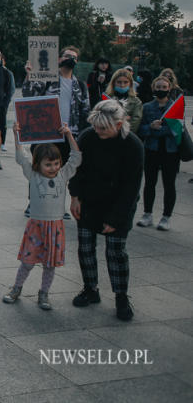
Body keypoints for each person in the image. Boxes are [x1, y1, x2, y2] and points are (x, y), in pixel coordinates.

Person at [69, 99, 144, 321]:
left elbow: (131, 187)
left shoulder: (133, 145)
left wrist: (117, 218)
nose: (98, 131)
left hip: (119, 202)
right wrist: (75, 197)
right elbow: (76, 168)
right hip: (89, 200)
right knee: (85, 246)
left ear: (119, 125)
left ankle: (121, 296)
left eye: (104, 128)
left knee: (116, 251)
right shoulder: (88, 136)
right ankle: (90, 288)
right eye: (96, 127)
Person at [4, 124, 81, 310]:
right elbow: (21, 158)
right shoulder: (33, 175)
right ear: (38, 164)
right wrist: (16, 135)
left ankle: (44, 293)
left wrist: (69, 135)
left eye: (56, 163)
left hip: (55, 227)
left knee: (50, 264)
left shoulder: (63, 175)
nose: (53, 168)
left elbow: (76, 158)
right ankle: (16, 288)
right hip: (36, 226)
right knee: (27, 262)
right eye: (48, 164)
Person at [23, 45, 90, 165]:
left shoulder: (80, 85)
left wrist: (81, 137)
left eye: (74, 58)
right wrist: (29, 75)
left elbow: (85, 112)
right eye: (67, 56)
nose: (71, 59)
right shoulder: (47, 79)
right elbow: (29, 96)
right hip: (46, 135)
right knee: (40, 172)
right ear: (59, 59)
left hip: (69, 136)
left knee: (61, 175)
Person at [136, 76, 180, 231]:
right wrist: (150, 128)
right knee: (149, 183)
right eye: (158, 87)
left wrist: (157, 130)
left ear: (169, 88)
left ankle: (166, 217)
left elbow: (177, 130)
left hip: (170, 151)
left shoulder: (175, 107)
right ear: (154, 88)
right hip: (151, 150)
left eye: (164, 87)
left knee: (169, 184)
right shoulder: (147, 107)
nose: (161, 89)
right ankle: (147, 214)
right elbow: (141, 129)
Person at [106, 68, 143, 133]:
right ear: (113, 83)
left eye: (125, 82)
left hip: (126, 136)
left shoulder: (136, 102)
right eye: (119, 82)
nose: (122, 85)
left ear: (130, 84)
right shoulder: (106, 99)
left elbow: (135, 122)